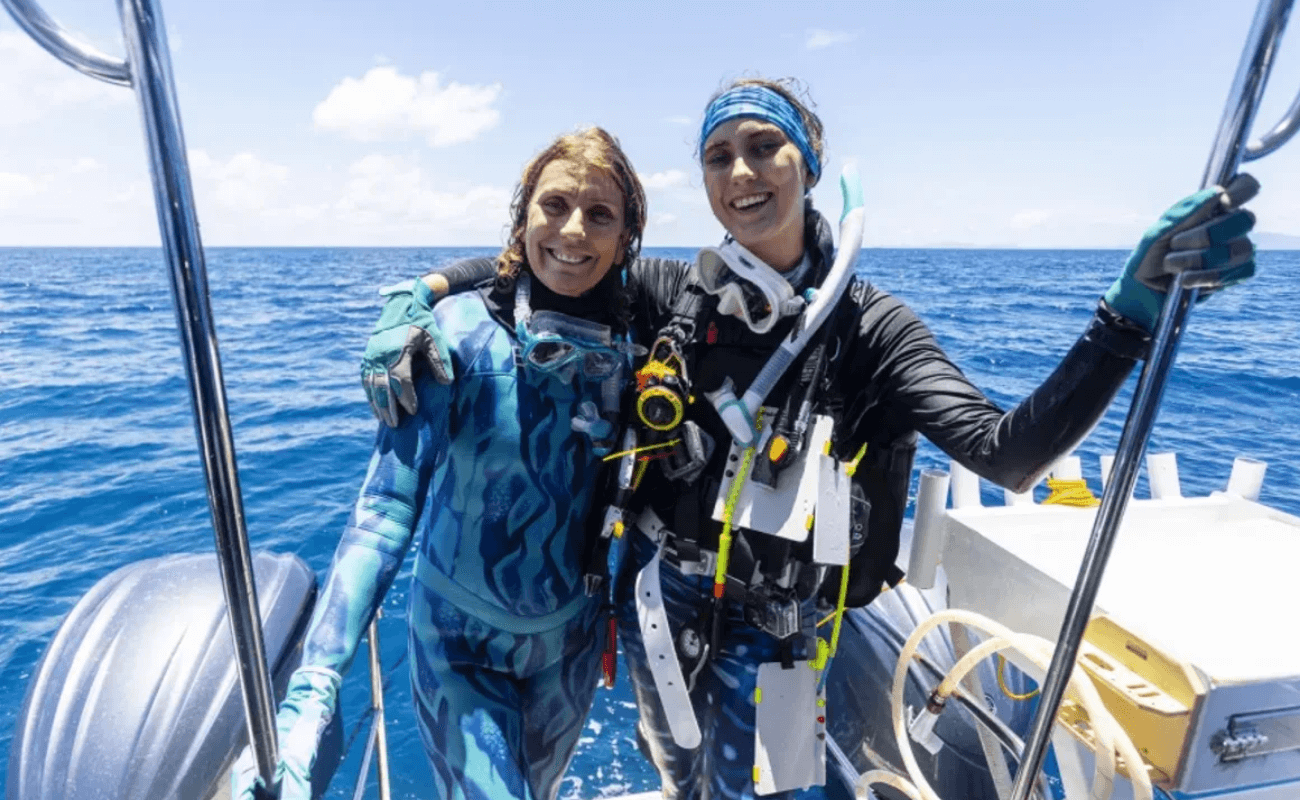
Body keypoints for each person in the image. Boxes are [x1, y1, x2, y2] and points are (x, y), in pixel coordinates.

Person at [359, 77, 1257, 800]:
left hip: (779, 629)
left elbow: (1009, 454)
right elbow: (553, 264)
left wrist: (1127, 314)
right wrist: (427, 290)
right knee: (679, 773)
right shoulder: (675, 291)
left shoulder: (871, 328)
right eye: (719, 155)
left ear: (809, 162)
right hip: (659, 609)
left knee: (758, 789)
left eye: (764, 147)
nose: (741, 171)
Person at [231, 126, 651, 800]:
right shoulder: (453, 336)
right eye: (553, 206)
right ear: (521, 220)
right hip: (457, 640)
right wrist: (313, 687)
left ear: (626, 237)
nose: (573, 231)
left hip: (569, 646)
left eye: (599, 214)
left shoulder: (641, 342)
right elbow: (382, 514)